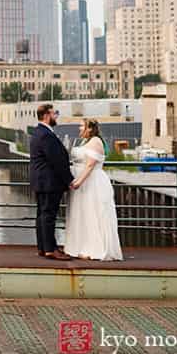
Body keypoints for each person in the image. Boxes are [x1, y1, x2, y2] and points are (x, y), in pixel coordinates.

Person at [63, 120, 123, 261]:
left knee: (93, 213)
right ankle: (80, 246)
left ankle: (94, 249)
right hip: (83, 182)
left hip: (92, 182)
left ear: (90, 128)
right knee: (82, 214)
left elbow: (90, 166)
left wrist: (78, 182)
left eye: (82, 125)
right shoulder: (86, 141)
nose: (79, 127)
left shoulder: (96, 142)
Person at [29, 104, 73, 260]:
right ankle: (50, 249)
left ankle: (43, 247)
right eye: (55, 113)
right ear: (47, 115)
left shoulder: (38, 132)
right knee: (48, 215)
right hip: (49, 181)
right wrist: (69, 180)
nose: (56, 117)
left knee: (42, 214)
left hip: (40, 180)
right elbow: (56, 160)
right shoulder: (46, 134)